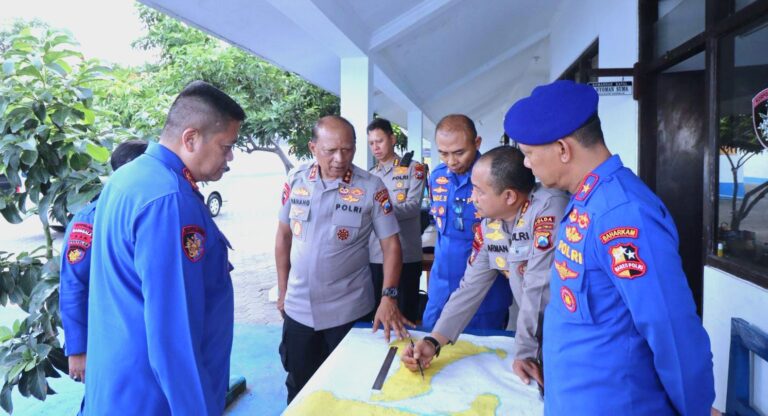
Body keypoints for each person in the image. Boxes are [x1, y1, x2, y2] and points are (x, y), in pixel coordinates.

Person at [504, 79, 714, 415]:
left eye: (529, 153)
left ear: (563, 148)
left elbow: (670, 328)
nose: (526, 164)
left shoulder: (622, 213)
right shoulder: (585, 200)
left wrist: (696, 409)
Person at [84, 80, 245, 415]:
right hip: (156, 400)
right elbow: (174, 337)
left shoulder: (128, 178)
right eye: (226, 146)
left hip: (120, 389)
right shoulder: (170, 200)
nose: (230, 157)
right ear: (191, 138)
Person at [402, 146, 568, 387]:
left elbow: (538, 290)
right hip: (538, 338)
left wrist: (525, 352)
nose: (472, 198)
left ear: (509, 196)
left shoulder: (548, 209)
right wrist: (434, 341)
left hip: (568, 338)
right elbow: (470, 287)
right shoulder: (490, 225)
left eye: (479, 191)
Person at [276, 115, 412, 403]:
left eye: (348, 149)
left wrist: (388, 297)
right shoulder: (296, 180)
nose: (340, 159)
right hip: (298, 309)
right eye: (331, 151)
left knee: (348, 388)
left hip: (348, 310)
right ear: (313, 147)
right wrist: (282, 291)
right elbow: (283, 237)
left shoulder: (372, 187)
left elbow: (391, 245)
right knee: (300, 386)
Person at [60, 139, 148, 385]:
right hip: (110, 337)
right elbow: (74, 284)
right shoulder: (90, 220)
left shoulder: (151, 209)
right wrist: (78, 349)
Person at [422, 114, 512, 330]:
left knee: (479, 348)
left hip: (485, 292)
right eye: (443, 153)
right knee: (430, 341)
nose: (451, 161)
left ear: (477, 143)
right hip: (441, 289)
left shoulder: (495, 178)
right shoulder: (437, 177)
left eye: (459, 152)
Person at [366, 117, 425, 323]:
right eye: (371, 143)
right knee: (377, 316)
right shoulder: (370, 175)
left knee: (405, 316)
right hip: (375, 255)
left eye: (380, 141)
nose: (375, 147)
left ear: (392, 139)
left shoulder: (413, 169)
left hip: (406, 255)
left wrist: (377, 211)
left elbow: (412, 207)